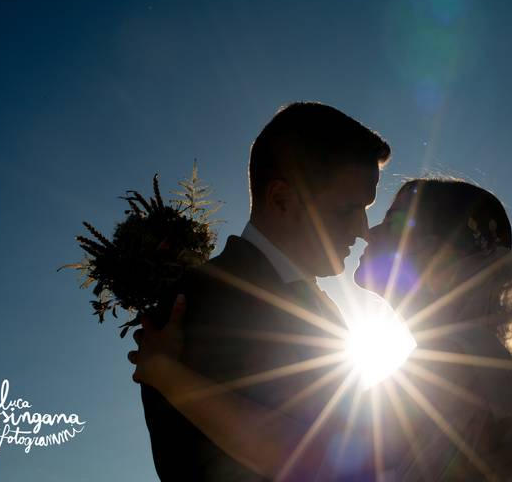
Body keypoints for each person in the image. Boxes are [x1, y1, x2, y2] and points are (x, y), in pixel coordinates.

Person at [132, 176, 512, 481]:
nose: (367, 232)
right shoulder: (469, 354)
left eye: (393, 221)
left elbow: (301, 458)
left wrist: (166, 373)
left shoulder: (460, 360)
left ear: (436, 257)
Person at [136, 101, 390, 481]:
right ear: (281, 200)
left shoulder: (327, 309)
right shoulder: (192, 304)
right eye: (347, 210)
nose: (363, 229)